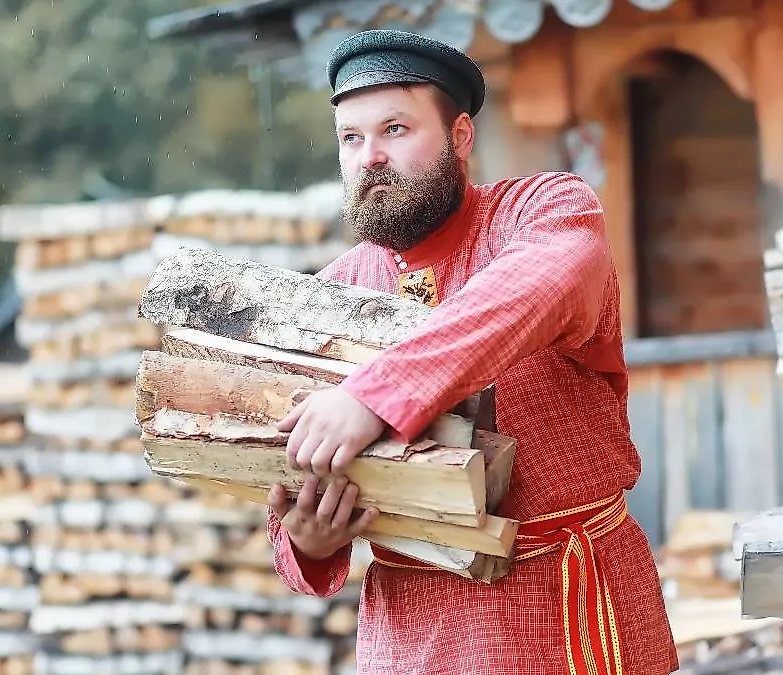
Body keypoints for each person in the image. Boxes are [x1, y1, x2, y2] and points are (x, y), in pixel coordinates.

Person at [263, 28, 678, 675]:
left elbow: (545, 281)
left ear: (461, 138)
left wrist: (373, 394)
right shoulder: (331, 293)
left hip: (568, 615)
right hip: (412, 636)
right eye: (352, 137)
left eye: (396, 129)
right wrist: (308, 540)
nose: (370, 156)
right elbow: (286, 499)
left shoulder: (546, 213)